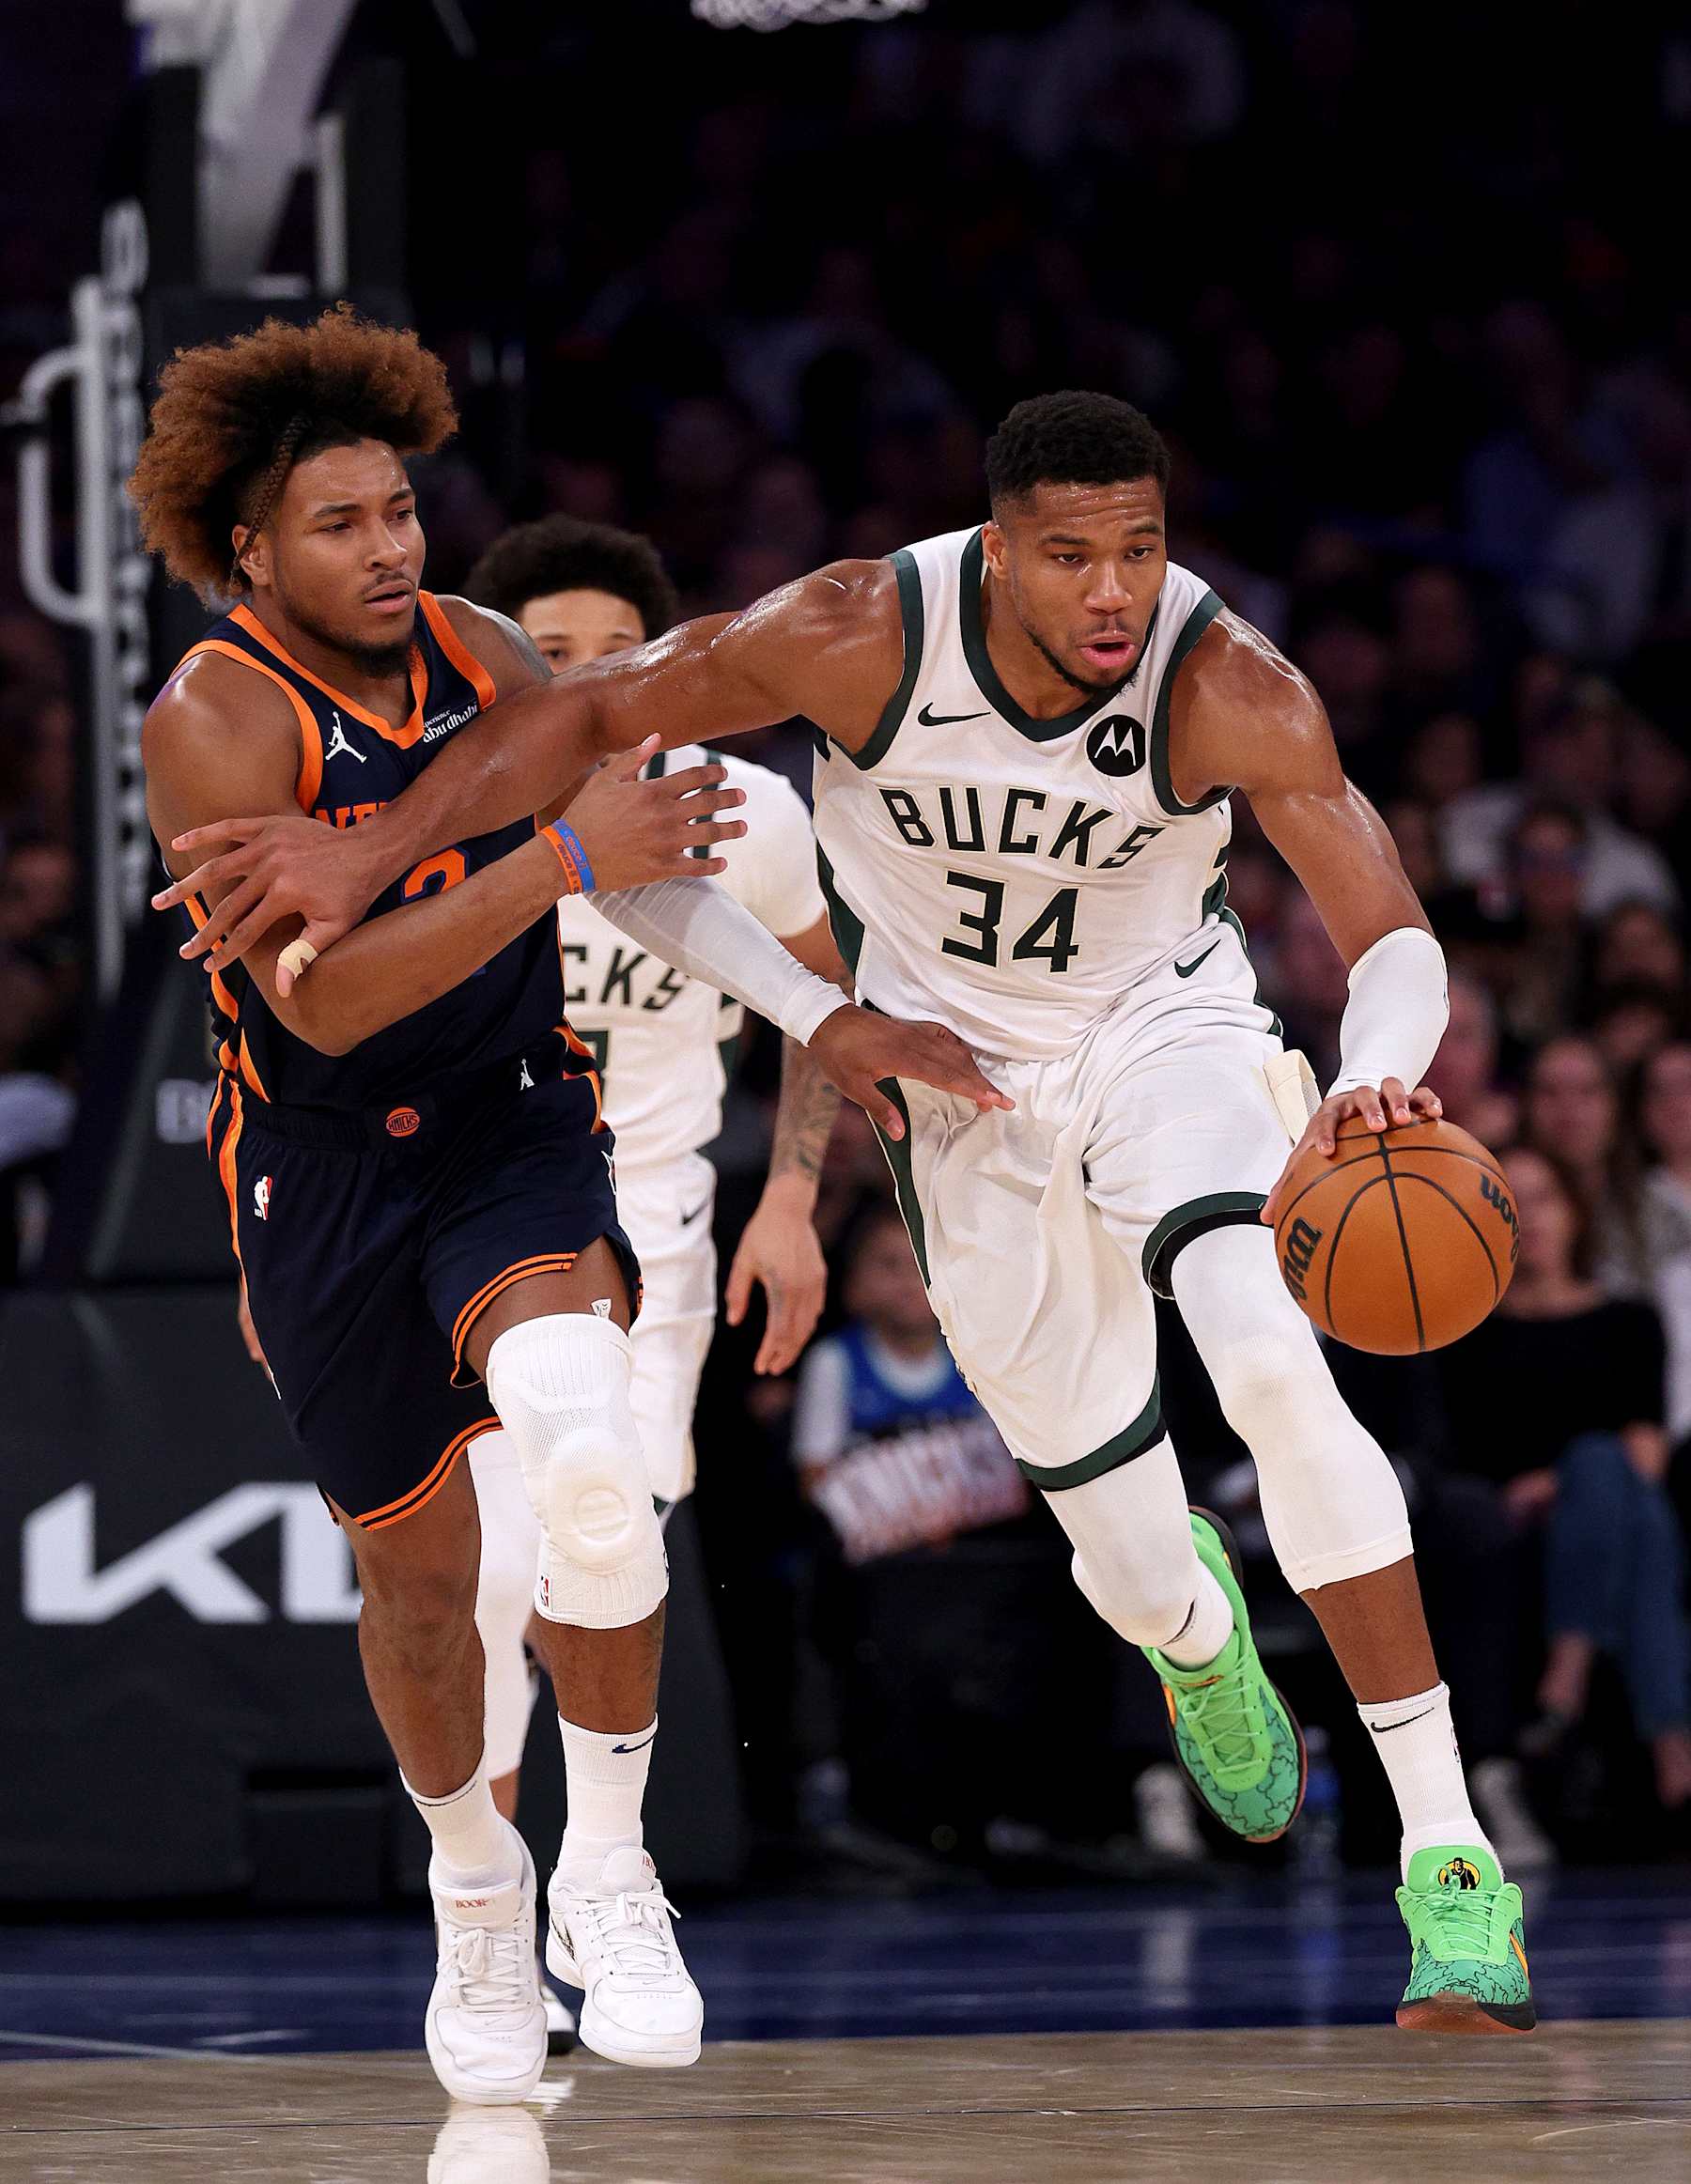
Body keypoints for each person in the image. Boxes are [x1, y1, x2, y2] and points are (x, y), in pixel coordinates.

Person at [168, 387, 1537, 2034]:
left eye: (1142, 551)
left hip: (1164, 1032)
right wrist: (374, 847)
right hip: (957, 1089)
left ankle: (1448, 1865)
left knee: (1263, 1352)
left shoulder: (1226, 680)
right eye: (1071, 557)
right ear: (997, 552)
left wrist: (1378, 1069)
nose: (1113, 593)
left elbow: (1384, 924)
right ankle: (1187, 1629)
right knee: (1124, 1548)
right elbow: (593, 713)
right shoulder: (856, 630)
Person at [134, 308, 1006, 2099]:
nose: (390, 550)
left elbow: (636, 877)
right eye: (340, 525)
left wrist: (824, 1011)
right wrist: (561, 852)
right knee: (425, 1588)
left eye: (400, 510)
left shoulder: (472, 649)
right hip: (320, 1168)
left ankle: (609, 1871)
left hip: (513, 1121)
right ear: (248, 548)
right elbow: (326, 993)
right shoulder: (211, 724)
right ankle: (476, 1889)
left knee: (592, 1457)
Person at [458, 515, 849, 2044]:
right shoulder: (446, 808)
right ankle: (489, 1915)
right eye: (547, 656)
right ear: (492, 670)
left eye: (610, 654)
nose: (581, 679)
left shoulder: (750, 814)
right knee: (493, 1579)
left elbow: (821, 1004)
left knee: (591, 1550)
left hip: (667, 1219)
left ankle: (594, 1880)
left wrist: (798, 1199)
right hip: (479, 1214)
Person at [1434, 1148, 1691, 1815]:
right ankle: (1672, 1746)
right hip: (1505, 1521)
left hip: (1597, 1503)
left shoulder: (1628, 1321)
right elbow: (1460, 1459)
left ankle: (1566, 1678)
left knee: (1606, 1470)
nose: (1531, 1216)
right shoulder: (1464, 1335)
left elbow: (1646, 1455)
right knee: (1639, 1515)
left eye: (1544, 1196)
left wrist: (1563, 1482)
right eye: (1508, 1199)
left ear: (1575, 1210)